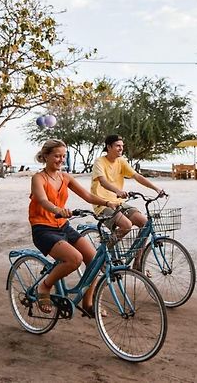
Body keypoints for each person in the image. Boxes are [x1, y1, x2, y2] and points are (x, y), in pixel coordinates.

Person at [29, 139, 118, 315]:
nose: (61, 159)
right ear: (46, 156)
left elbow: (87, 195)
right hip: (43, 229)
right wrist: (58, 210)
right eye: (57, 156)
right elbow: (42, 200)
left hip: (63, 226)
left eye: (64, 156)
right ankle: (45, 286)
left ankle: (88, 303)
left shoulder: (65, 177)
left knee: (94, 260)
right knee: (75, 259)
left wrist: (108, 202)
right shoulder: (38, 178)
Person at [91, 134, 164, 267]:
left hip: (118, 203)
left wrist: (156, 188)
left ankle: (137, 263)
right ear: (109, 147)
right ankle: (104, 252)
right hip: (102, 204)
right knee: (126, 225)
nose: (121, 149)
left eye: (122, 146)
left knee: (145, 223)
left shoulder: (121, 161)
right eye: (118, 146)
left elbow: (137, 176)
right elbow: (102, 181)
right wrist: (117, 191)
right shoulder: (99, 162)